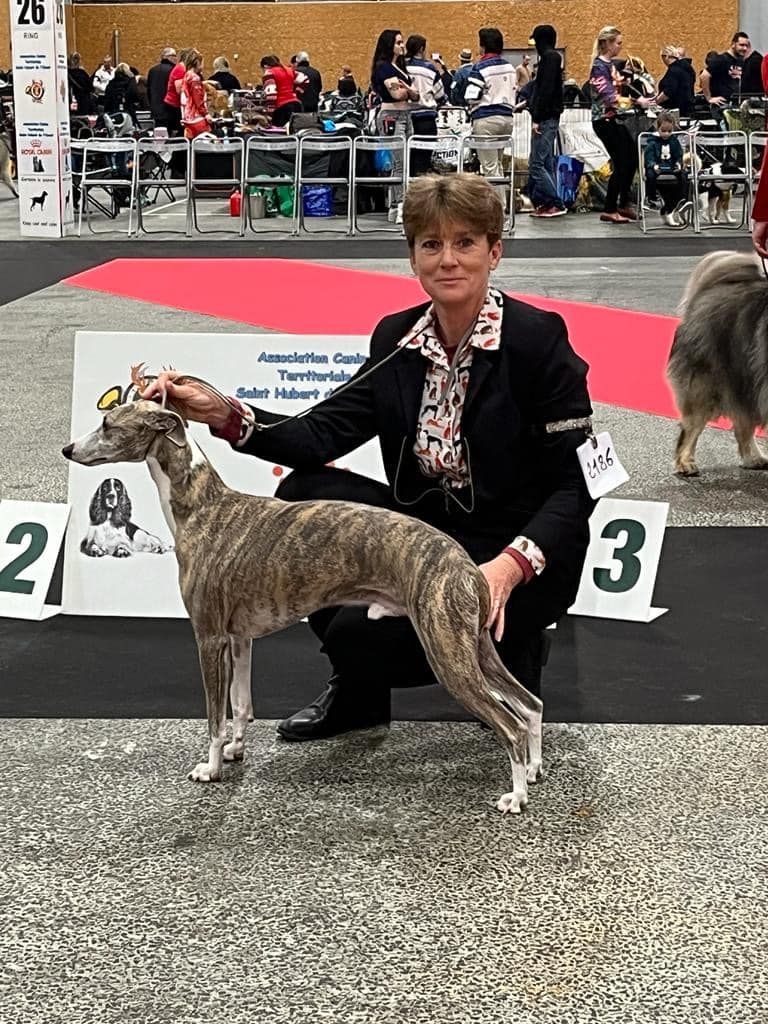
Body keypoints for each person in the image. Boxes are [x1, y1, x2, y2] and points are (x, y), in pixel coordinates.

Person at [140, 173, 595, 742]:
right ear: (413, 259)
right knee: (303, 495)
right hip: (424, 532)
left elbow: (576, 485)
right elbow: (320, 433)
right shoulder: (396, 340)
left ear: (494, 251)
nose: (448, 259)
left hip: (514, 543)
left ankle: (515, 647)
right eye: (431, 244)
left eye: (465, 243)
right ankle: (359, 692)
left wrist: (507, 569)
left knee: (382, 639)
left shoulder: (537, 340)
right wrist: (223, 412)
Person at [589, 25, 653, 224]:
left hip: (615, 119)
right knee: (621, 162)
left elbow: (621, 87)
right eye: (618, 43)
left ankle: (624, 202)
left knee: (632, 157)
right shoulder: (599, 67)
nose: (620, 46)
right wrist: (637, 102)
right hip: (604, 120)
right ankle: (610, 207)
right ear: (608, 44)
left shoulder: (611, 66)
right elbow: (609, 97)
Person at [370, 29, 420, 223]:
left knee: (404, 161)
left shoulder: (399, 68)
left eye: (402, 42)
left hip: (406, 115)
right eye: (398, 42)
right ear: (389, 45)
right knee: (399, 163)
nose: (402, 46)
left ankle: (395, 205)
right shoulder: (384, 68)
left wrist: (407, 90)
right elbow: (397, 94)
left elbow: (415, 95)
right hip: (391, 116)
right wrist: (409, 90)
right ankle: (400, 205)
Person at [464, 28, 516, 190]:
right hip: (507, 120)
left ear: (483, 46)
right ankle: (503, 203)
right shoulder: (510, 67)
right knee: (498, 164)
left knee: (489, 168)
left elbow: (472, 95)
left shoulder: (480, 67)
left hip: (486, 119)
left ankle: (496, 204)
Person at [527, 24, 566, 219]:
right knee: (547, 163)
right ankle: (549, 203)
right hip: (550, 116)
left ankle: (556, 203)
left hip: (545, 118)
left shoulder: (549, 59)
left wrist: (536, 117)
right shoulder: (553, 58)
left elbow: (544, 90)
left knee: (536, 165)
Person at [405, 35, 445, 175]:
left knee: (407, 159)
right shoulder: (430, 68)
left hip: (405, 118)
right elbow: (440, 94)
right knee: (423, 160)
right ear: (422, 49)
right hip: (426, 119)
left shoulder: (401, 67)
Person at [644, 111, 687, 226]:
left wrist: (678, 163)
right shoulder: (652, 142)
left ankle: (683, 198)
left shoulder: (674, 141)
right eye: (663, 131)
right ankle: (651, 197)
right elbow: (649, 156)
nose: (666, 134)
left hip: (671, 166)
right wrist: (653, 165)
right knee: (650, 175)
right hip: (657, 166)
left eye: (669, 131)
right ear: (657, 128)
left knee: (683, 174)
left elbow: (679, 155)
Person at [700, 31, 750, 123]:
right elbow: (704, 75)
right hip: (720, 108)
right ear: (733, 44)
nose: (745, 48)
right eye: (741, 45)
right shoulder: (721, 59)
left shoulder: (740, 61)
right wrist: (709, 98)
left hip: (734, 107)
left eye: (746, 45)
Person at [260, 55, 306, 128]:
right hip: (296, 105)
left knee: (280, 133)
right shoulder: (289, 70)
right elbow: (305, 79)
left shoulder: (269, 73)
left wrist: (270, 115)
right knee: (295, 131)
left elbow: (271, 94)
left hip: (282, 109)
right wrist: (296, 92)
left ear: (265, 66)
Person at [656, 44, 694, 115]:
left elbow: (668, 92)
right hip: (687, 108)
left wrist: (656, 102)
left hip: (675, 110)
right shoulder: (687, 68)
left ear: (666, 57)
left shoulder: (673, 70)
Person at [180, 50, 210, 140]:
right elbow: (198, 99)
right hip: (197, 117)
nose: (203, 66)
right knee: (207, 141)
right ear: (197, 62)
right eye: (202, 63)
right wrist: (206, 114)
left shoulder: (187, 75)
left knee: (191, 142)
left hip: (187, 117)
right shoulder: (194, 78)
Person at [163, 46, 191, 135]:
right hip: (173, 106)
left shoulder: (182, 68)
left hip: (175, 105)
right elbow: (179, 89)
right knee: (177, 132)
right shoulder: (181, 68)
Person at [146, 47, 177, 126]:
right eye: (174, 55)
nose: (176, 58)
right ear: (169, 57)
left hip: (155, 109)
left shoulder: (152, 70)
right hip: (170, 110)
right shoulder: (173, 70)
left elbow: (148, 90)